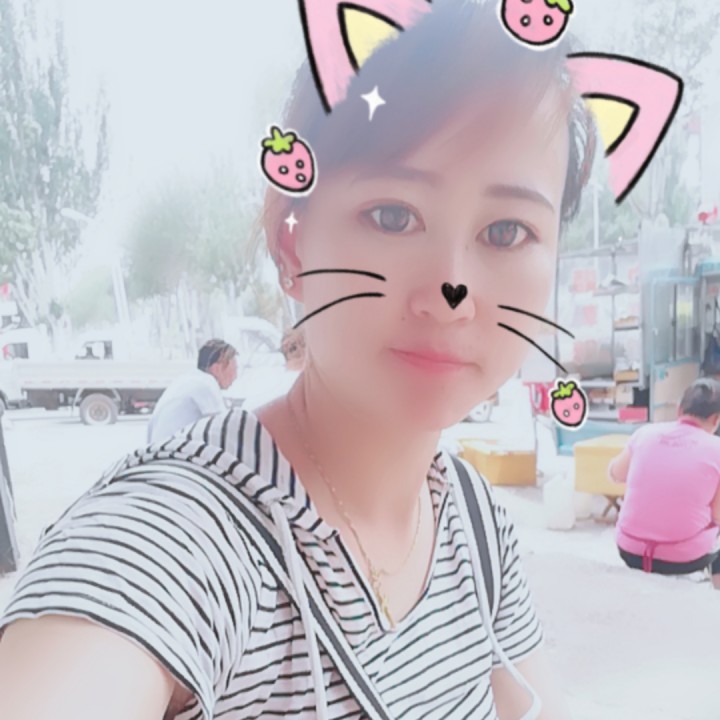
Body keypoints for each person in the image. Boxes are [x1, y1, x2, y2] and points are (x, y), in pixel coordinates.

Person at [0, 3, 595, 718]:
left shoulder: (473, 522)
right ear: (292, 243)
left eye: (507, 231)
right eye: (392, 215)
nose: (450, 293)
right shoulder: (188, 538)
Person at [608, 378, 720, 589]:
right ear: (716, 419)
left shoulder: (644, 434)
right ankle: (715, 596)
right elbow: (717, 515)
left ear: (679, 410)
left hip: (630, 550)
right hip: (683, 559)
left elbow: (616, 474)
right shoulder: (717, 449)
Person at [146, 338, 238, 443]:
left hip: (157, 448)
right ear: (217, 369)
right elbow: (222, 429)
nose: (235, 376)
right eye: (234, 369)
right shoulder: (207, 383)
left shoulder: (186, 380)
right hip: (174, 449)